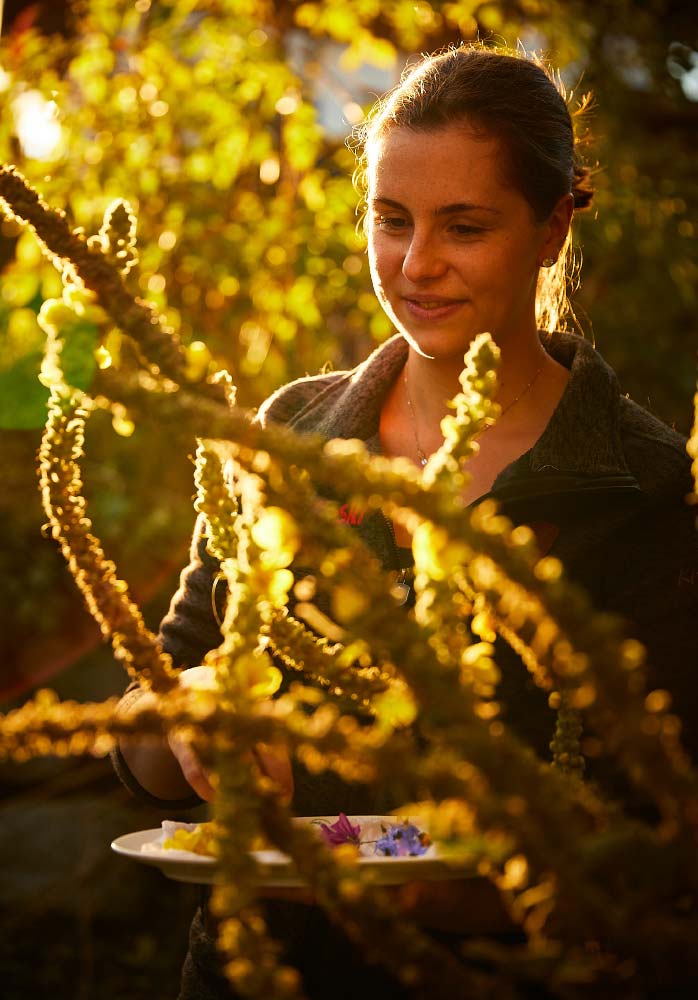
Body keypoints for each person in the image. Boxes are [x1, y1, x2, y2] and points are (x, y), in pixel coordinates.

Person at [113, 43, 698, 999]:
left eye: (464, 228)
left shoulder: (643, 488)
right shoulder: (288, 434)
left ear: (553, 227)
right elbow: (149, 713)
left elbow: (661, 843)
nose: (417, 266)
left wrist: (456, 891)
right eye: (391, 221)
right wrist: (188, 720)